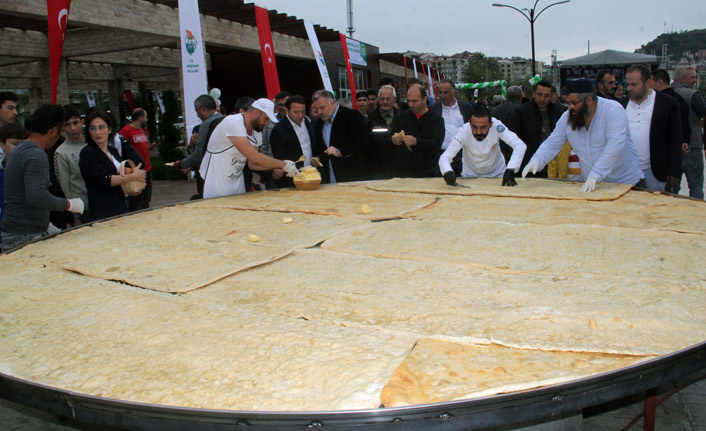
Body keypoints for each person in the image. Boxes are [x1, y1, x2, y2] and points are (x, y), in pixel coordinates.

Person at [523, 79, 644, 192]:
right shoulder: (568, 117)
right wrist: (537, 160)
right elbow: (553, 141)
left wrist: (596, 173)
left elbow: (615, 145)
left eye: (574, 103)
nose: (570, 107)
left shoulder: (613, 110)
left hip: (625, 182)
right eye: (568, 103)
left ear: (589, 100)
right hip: (592, 185)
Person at [1, 104, 84, 251]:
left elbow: (22, 194)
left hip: (18, 230)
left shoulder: (21, 149)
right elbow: (37, 197)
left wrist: (45, 224)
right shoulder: (35, 154)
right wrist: (69, 204)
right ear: (53, 131)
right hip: (25, 235)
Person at [199, 98, 298, 198]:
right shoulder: (233, 122)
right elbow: (255, 157)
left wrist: (282, 167)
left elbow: (253, 164)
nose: (267, 123)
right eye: (266, 118)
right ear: (256, 113)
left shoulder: (256, 131)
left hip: (237, 184)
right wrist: (284, 164)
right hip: (216, 183)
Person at [622, 64, 682, 193]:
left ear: (648, 83)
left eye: (634, 84)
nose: (630, 88)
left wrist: (674, 171)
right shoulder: (622, 104)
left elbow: (675, 139)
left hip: (655, 172)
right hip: (627, 171)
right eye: (628, 84)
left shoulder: (667, 103)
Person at [79, 109, 146, 222]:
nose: (97, 132)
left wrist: (129, 189)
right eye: (93, 128)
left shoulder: (112, 150)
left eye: (101, 127)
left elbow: (119, 176)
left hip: (120, 207)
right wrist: (133, 177)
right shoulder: (88, 153)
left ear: (110, 129)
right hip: (103, 212)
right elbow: (104, 179)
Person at [439, 105, 526, 187]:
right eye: (474, 127)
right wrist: (447, 171)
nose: (478, 132)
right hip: (470, 177)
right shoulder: (464, 131)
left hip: (497, 175)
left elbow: (519, 145)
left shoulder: (497, 126)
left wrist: (511, 168)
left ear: (491, 125)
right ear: (469, 123)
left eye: (483, 127)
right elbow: (446, 156)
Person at [509, 79, 566, 176]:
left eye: (546, 95)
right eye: (539, 94)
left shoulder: (560, 112)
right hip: (528, 164)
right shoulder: (521, 112)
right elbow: (513, 138)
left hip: (553, 164)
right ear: (533, 93)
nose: (542, 99)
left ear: (552, 95)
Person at [312, 90, 369, 183]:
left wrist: (340, 151)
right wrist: (318, 157)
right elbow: (321, 146)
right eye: (316, 109)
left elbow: (363, 141)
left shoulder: (350, 115)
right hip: (329, 176)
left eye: (322, 108)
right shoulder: (319, 122)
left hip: (351, 175)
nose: (319, 112)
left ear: (332, 103)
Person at [388, 84, 445, 178]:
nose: (410, 104)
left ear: (425, 99)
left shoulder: (436, 119)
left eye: (414, 101)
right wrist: (393, 139)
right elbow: (389, 137)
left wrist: (416, 142)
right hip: (401, 171)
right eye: (409, 101)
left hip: (427, 171)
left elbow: (437, 144)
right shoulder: (401, 116)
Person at [173, 95, 223, 198]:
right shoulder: (225, 120)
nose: (198, 115)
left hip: (210, 177)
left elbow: (199, 154)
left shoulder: (206, 125)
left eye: (197, 111)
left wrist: (181, 164)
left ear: (203, 108)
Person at [270, 95, 319, 188]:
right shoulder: (278, 130)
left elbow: (313, 145)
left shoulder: (308, 122)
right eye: (296, 112)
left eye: (303, 111)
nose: (300, 115)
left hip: (311, 175)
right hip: (291, 180)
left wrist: (316, 158)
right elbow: (279, 157)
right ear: (287, 110)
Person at [672, 66, 706, 199]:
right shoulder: (693, 94)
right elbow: (704, 111)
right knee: (696, 185)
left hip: (674, 147)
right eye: (692, 77)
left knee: (673, 187)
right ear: (682, 79)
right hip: (693, 145)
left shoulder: (667, 93)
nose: (695, 80)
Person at [431, 79, 474, 176]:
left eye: (446, 93)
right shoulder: (433, 109)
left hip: (462, 155)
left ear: (454, 92)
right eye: (440, 92)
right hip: (441, 154)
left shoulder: (466, 107)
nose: (442, 96)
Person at [55, 105, 88, 225]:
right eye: (67, 125)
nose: (73, 128)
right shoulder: (61, 152)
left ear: (82, 122)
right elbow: (65, 187)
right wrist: (74, 215)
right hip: (83, 209)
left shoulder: (94, 143)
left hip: (102, 203)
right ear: (62, 128)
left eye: (75, 123)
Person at [119, 108, 155, 211]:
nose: (147, 120)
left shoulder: (141, 130)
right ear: (140, 118)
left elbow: (141, 147)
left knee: (146, 199)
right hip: (135, 171)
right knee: (136, 201)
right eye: (146, 117)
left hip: (147, 169)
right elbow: (122, 150)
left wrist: (149, 147)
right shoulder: (125, 131)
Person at [0, 123, 29, 247]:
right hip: (7, 233)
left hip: (31, 229)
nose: (19, 149)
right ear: (2, 145)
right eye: (15, 144)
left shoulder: (30, 169)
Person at [651, 68, 691, 157]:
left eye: (651, 83)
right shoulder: (680, 99)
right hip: (679, 148)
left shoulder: (660, 101)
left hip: (663, 149)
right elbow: (686, 123)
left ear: (660, 82)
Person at [367, 85, 398, 179]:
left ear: (395, 99)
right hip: (378, 168)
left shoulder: (402, 117)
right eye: (382, 99)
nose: (385, 102)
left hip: (398, 167)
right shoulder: (370, 118)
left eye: (388, 99)